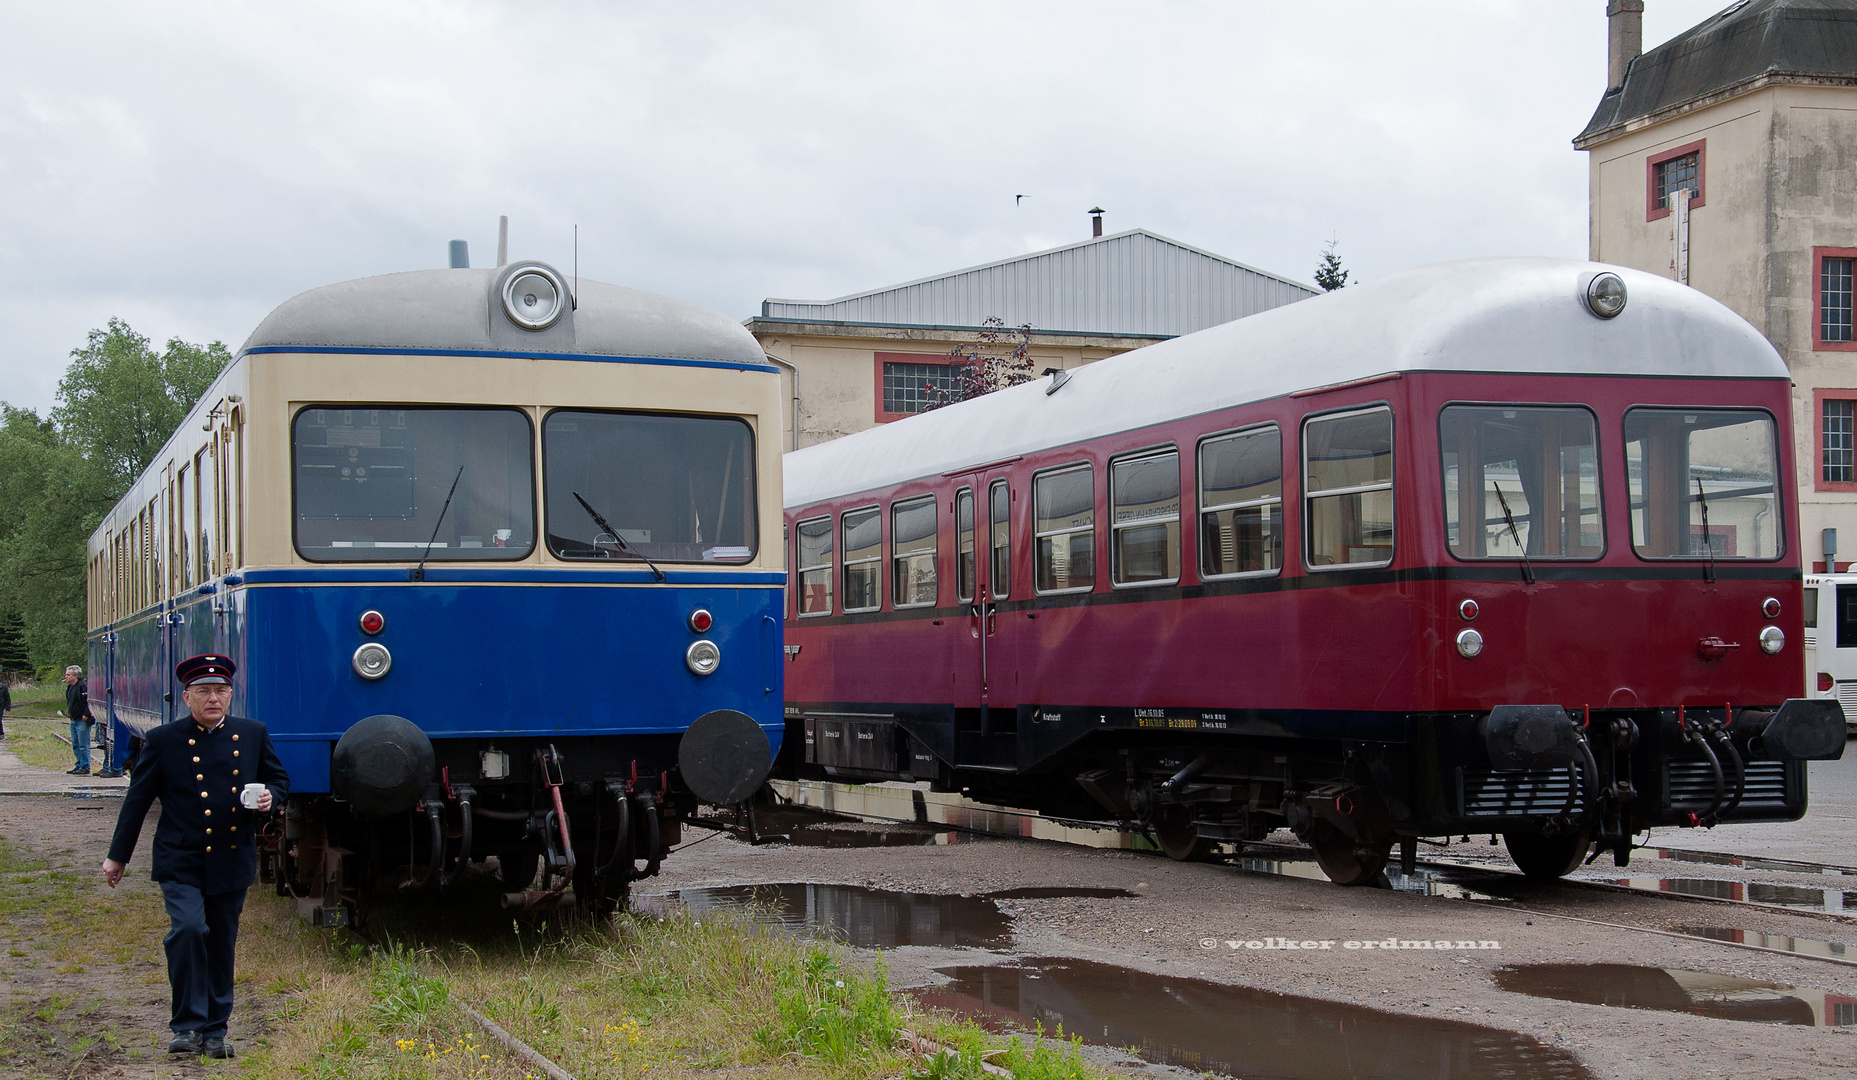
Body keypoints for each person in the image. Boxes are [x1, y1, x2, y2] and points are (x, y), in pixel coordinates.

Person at [100, 654, 288, 1059]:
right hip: (180, 857)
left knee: (221, 942)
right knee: (187, 930)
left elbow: (278, 778)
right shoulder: (163, 740)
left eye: (220, 690)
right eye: (203, 691)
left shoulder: (252, 733)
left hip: (231, 856)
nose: (213, 699)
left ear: (231, 695)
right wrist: (118, 857)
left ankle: (216, 1029)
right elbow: (138, 800)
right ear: (187, 697)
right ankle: (186, 1025)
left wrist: (272, 799)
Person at [64, 665, 95, 774]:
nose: (66, 677)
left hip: (82, 720)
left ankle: (85, 766)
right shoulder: (70, 687)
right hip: (73, 719)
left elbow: (89, 701)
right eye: (66, 674)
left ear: (76, 676)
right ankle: (79, 764)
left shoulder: (83, 686)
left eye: (68, 675)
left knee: (83, 744)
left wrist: (87, 714)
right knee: (75, 744)